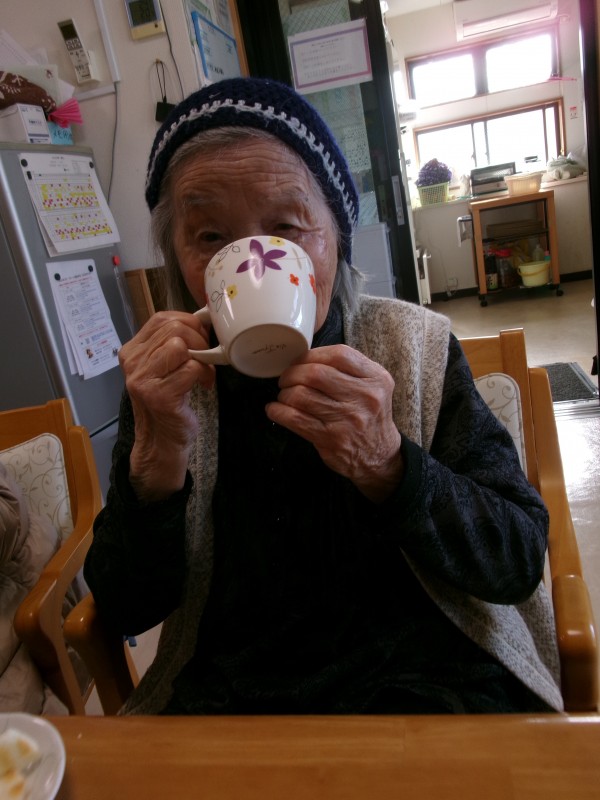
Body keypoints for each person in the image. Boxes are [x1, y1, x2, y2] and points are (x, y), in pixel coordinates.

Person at [84, 77, 563, 715]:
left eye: (286, 225)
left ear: (335, 234)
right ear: (177, 260)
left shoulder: (413, 347)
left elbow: (518, 559)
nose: (252, 261)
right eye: (209, 237)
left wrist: (390, 464)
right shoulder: (171, 380)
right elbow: (125, 608)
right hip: (233, 700)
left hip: (427, 680)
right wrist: (156, 462)